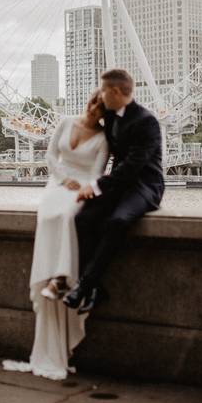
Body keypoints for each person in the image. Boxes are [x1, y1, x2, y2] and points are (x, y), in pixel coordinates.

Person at [2, 90, 108, 380]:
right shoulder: (64, 122)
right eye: (93, 102)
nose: (93, 109)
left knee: (67, 216)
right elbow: (50, 155)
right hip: (57, 184)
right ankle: (52, 276)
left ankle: (60, 278)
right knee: (49, 214)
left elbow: (98, 175)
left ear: (104, 114)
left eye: (99, 108)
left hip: (82, 188)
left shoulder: (103, 140)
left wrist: (85, 186)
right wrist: (63, 179)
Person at [64, 68, 164, 314]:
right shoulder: (110, 115)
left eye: (104, 91)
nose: (100, 95)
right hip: (118, 184)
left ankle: (84, 284)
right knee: (83, 218)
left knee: (118, 221)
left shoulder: (146, 121)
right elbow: (89, 128)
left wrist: (96, 186)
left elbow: (133, 166)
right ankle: (96, 288)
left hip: (144, 184)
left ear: (116, 92)